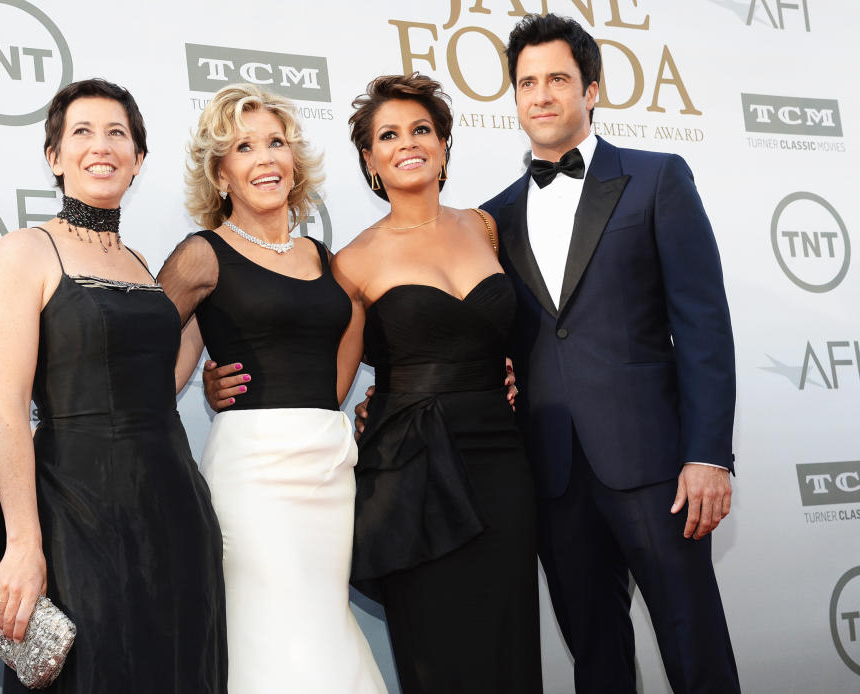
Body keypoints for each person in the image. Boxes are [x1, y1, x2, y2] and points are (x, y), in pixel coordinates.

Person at [480, 13, 741, 693]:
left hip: (658, 468)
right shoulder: (491, 218)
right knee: (595, 656)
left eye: (557, 79)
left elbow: (705, 329)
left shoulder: (658, 180)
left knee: (695, 646)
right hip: (553, 473)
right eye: (527, 82)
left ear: (591, 89)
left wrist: (709, 454)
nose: (540, 95)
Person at [0, 79, 226, 692]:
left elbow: (154, 382)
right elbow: (8, 408)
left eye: (118, 133)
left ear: (138, 159)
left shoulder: (143, 264)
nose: (102, 146)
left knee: (175, 665)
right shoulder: (27, 251)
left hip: (171, 501)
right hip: (74, 508)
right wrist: (23, 542)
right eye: (81, 132)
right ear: (54, 157)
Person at [156, 83, 386, 694]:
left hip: (329, 469)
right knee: (272, 632)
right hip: (253, 475)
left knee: (323, 625)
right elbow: (143, 367)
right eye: (243, 146)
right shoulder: (203, 255)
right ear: (221, 173)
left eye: (275, 142)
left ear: (295, 159)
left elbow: (340, 365)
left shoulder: (322, 256)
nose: (265, 158)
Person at [332, 74, 543, 694]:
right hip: (413, 471)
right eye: (388, 135)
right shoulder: (353, 260)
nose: (408, 143)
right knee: (438, 652)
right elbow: (329, 385)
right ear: (370, 160)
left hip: (502, 460)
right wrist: (224, 386)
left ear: (444, 144)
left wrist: (513, 373)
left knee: (509, 639)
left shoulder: (485, 227)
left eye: (421, 129)